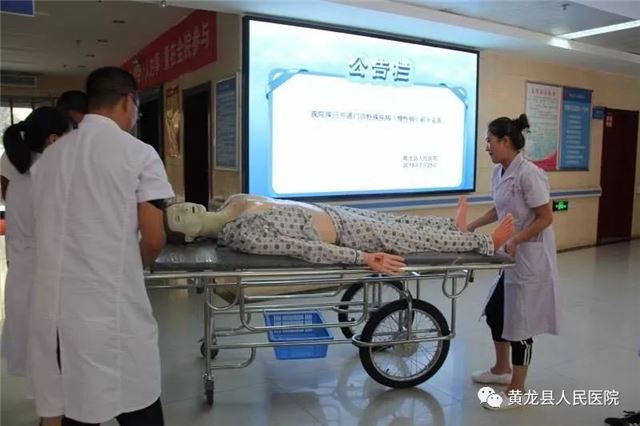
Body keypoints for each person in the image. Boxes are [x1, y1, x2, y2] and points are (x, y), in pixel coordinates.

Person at [28, 67, 174, 426]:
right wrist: (131, 266)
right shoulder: (139, 154)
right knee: (137, 403)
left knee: (75, 405)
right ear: (129, 101)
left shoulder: (49, 158)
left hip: (55, 312)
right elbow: (154, 238)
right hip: (111, 310)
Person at [165, 193, 515, 275]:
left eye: (178, 206)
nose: (183, 209)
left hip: (335, 213)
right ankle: (485, 242)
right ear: (189, 237)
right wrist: (363, 258)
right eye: (179, 219)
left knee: (403, 222)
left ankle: (452, 227)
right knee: (409, 238)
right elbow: (305, 249)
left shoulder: (232, 201)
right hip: (344, 234)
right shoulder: (242, 234)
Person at [467, 114, 560, 411]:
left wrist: (517, 239)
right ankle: (501, 369)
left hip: (530, 257)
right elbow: (500, 209)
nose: (486, 147)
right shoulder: (499, 172)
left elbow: (545, 217)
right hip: (510, 257)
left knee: (521, 326)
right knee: (496, 313)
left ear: (505, 141)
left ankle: (517, 390)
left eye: (489, 141)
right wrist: (473, 225)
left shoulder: (529, 174)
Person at [1, 107, 71, 380]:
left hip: (20, 268)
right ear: (53, 139)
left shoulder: (13, 165)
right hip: (49, 272)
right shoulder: (53, 171)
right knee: (53, 353)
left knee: (32, 349)